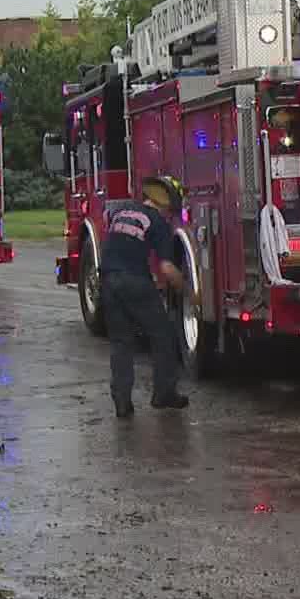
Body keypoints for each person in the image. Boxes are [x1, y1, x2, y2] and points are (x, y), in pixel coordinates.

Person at [101, 176, 190, 418]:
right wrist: (186, 289)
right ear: (166, 206)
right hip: (134, 281)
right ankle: (164, 394)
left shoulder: (123, 210)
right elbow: (167, 269)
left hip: (108, 280)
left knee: (121, 342)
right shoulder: (158, 223)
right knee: (163, 335)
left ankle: (122, 403)